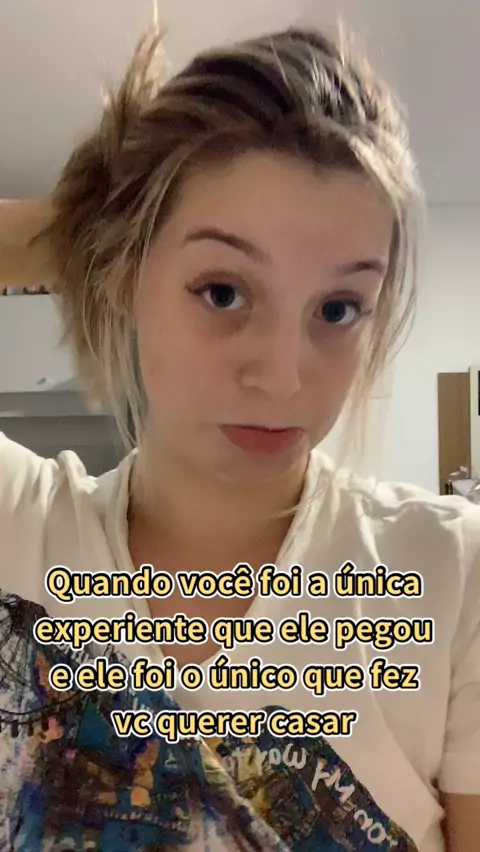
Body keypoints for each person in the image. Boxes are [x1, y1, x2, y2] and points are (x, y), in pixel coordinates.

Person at [0, 23, 478, 852]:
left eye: (338, 309)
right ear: (121, 277)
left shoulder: (452, 573)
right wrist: (83, 227)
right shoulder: (17, 526)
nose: (285, 378)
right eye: (223, 291)